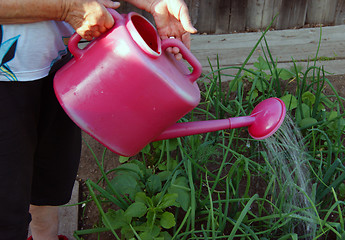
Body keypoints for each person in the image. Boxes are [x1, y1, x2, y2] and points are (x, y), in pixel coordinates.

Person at [0, 0, 197, 239]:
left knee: (47, 188)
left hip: (57, 61)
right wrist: (65, 8)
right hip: (5, 82)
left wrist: (155, 3)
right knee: (6, 209)